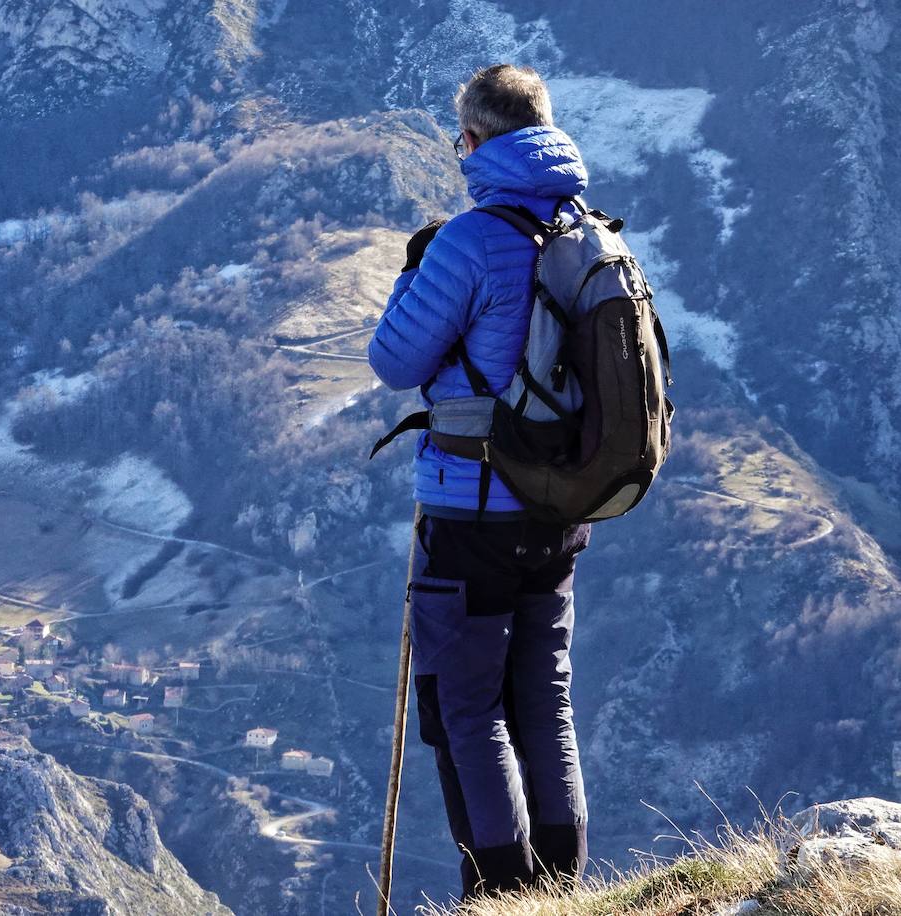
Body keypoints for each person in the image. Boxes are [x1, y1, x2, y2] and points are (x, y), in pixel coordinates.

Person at [368, 64, 592, 900]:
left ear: (471, 141)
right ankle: (566, 889)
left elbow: (394, 361)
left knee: (468, 711)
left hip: (472, 514)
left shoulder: (469, 239)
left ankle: (500, 894)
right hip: (564, 510)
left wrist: (410, 273)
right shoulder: (585, 232)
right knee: (546, 699)